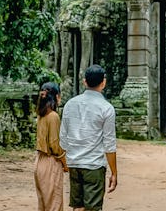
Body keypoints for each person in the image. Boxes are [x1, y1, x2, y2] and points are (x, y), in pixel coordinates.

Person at [60, 65, 118, 211]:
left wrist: (69, 159)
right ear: (103, 83)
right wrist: (114, 172)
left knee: (77, 207)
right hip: (94, 165)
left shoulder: (70, 104)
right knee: (92, 208)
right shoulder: (106, 108)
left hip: (74, 163)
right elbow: (109, 144)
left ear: (84, 82)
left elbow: (63, 138)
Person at [35, 82, 67, 211]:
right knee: (54, 204)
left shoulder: (41, 115)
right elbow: (55, 145)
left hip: (39, 161)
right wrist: (65, 163)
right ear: (57, 96)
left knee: (44, 205)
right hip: (50, 162)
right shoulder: (53, 116)